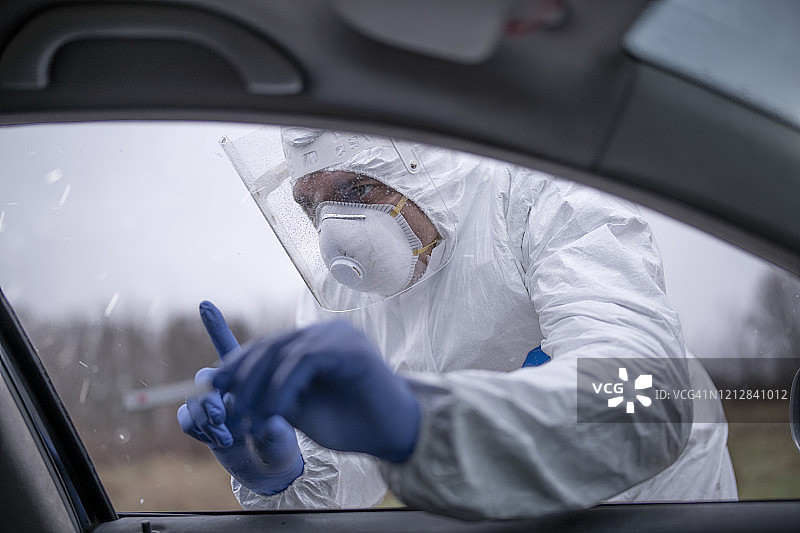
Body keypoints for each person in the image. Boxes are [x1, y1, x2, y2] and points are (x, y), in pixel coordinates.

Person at [178, 127, 737, 520]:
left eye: (356, 190)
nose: (335, 234)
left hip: (652, 510)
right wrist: (288, 475)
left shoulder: (541, 197)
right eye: (311, 205)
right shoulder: (341, 292)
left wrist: (422, 424)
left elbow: (641, 397)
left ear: (416, 162)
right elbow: (353, 471)